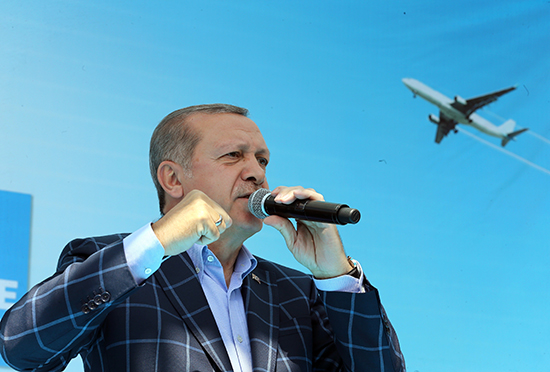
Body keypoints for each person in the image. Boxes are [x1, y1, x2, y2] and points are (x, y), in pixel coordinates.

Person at [0, 104, 405, 371]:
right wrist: (154, 242)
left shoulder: (298, 292)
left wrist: (334, 274)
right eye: (234, 156)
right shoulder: (111, 260)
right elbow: (22, 348)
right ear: (172, 178)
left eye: (261, 160)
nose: (256, 173)